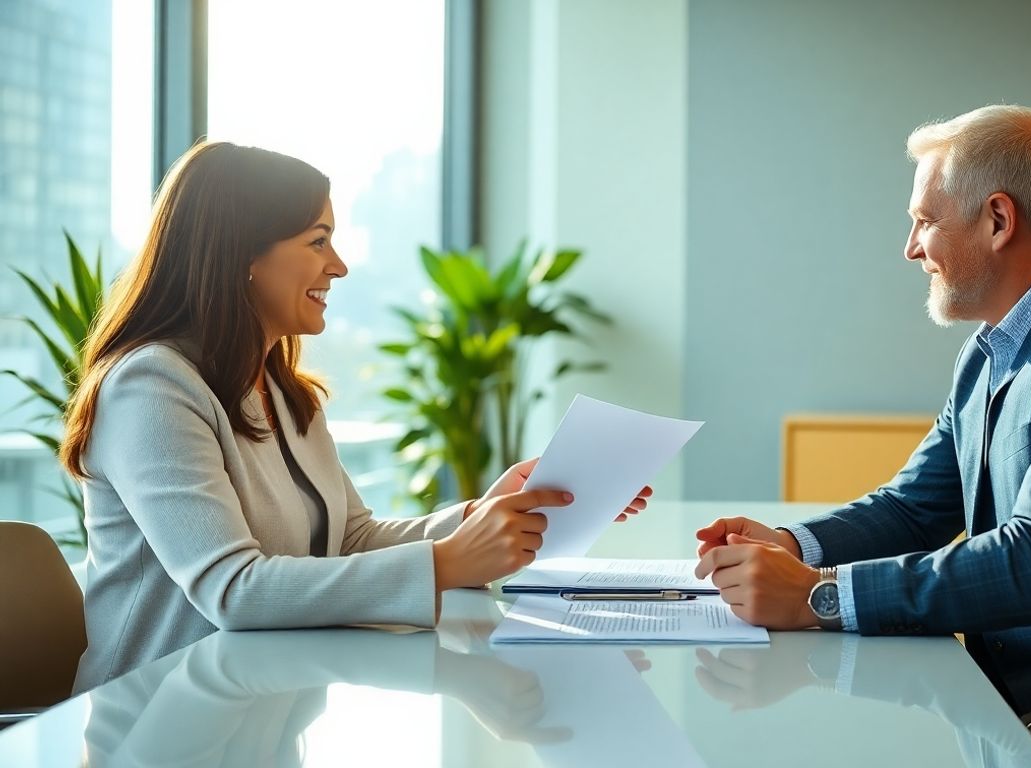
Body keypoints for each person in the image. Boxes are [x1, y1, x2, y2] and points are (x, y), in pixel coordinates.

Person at [692, 105, 1031, 767]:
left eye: (924, 221)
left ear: (997, 220)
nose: (910, 248)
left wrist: (818, 595)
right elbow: (917, 506)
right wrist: (790, 546)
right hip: (1017, 704)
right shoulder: (996, 348)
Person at [60, 141, 649, 694]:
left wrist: (481, 515)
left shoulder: (285, 394)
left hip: (262, 703)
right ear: (243, 253)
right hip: (154, 718)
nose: (338, 265)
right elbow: (233, 590)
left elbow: (350, 540)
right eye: (318, 241)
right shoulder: (151, 387)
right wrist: (449, 560)